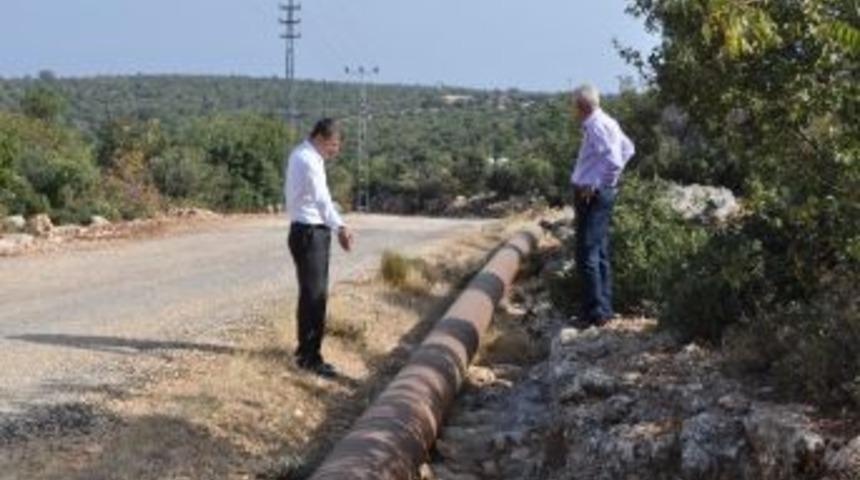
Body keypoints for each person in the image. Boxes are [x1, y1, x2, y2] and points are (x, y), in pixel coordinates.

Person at [285, 118, 354, 378]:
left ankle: (308, 353)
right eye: (334, 144)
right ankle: (309, 358)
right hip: (310, 232)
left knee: (313, 295)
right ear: (322, 138)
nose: (335, 150)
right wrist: (341, 227)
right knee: (314, 297)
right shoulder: (309, 160)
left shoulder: (304, 154)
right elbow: (322, 200)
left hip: (308, 231)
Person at [569, 84, 635, 327]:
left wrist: (598, 184)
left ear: (581, 106)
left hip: (592, 195)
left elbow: (615, 161)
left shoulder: (596, 125)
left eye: (573, 105)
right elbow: (629, 149)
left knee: (587, 252)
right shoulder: (608, 121)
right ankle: (604, 308)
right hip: (598, 192)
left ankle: (594, 313)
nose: (573, 110)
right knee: (600, 251)